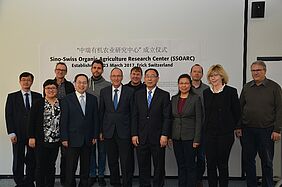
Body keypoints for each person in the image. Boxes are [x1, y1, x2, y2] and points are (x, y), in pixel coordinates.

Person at [239, 60, 282, 187]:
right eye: (253, 70)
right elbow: (240, 108)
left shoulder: (274, 87)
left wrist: (277, 130)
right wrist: (238, 126)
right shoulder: (247, 87)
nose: (255, 73)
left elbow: (280, 109)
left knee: (267, 162)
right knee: (248, 161)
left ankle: (267, 185)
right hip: (247, 130)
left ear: (265, 71)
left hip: (267, 130)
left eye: (258, 70)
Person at [132, 68, 171, 187]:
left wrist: (165, 134)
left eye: (153, 76)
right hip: (141, 136)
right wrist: (134, 134)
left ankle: (158, 185)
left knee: (159, 165)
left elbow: (167, 117)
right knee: (143, 165)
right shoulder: (138, 95)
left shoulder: (164, 95)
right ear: (144, 78)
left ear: (157, 79)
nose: (149, 78)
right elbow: (134, 116)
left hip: (158, 137)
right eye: (147, 76)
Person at [203, 64, 241, 187]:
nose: (213, 78)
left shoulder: (231, 91)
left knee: (222, 163)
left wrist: (237, 128)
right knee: (210, 164)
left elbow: (237, 112)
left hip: (225, 134)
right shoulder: (206, 93)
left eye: (216, 75)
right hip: (209, 134)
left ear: (222, 76)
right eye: (211, 76)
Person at [60, 74, 99, 187]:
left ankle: (83, 184)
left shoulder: (93, 99)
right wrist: (64, 138)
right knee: (70, 167)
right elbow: (63, 120)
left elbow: (95, 119)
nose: (82, 85)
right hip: (72, 139)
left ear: (87, 84)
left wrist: (95, 136)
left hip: (88, 139)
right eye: (79, 82)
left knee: (85, 167)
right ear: (74, 84)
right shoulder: (67, 99)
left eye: (84, 83)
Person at [5, 72, 42, 187]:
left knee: (32, 158)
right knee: (18, 158)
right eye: (24, 80)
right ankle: (19, 181)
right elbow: (9, 115)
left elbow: (40, 116)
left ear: (32, 81)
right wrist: (11, 133)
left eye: (29, 80)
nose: (26, 82)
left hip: (33, 134)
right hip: (18, 133)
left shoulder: (38, 96)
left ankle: (30, 180)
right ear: (20, 81)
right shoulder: (12, 96)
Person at [100, 68, 134, 187]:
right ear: (110, 77)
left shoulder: (129, 91)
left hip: (124, 132)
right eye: (114, 76)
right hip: (108, 132)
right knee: (112, 160)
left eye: (118, 76)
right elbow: (101, 112)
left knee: (126, 161)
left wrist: (133, 132)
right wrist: (100, 131)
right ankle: (115, 182)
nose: (116, 78)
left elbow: (133, 114)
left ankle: (126, 183)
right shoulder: (104, 91)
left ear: (122, 77)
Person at [170, 74, 202, 187]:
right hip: (176, 137)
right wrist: (169, 136)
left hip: (190, 138)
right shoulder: (174, 99)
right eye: (181, 83)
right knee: (181, 165)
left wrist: (197, 139)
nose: (184, 85)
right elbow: (171, 118)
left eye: (186, 83)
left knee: (190, 165)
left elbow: (199, 120)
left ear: (190, 85)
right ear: (178, 85)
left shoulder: (195, 98)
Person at [28, 79, 61, 187]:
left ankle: (50, 185)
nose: (51, 90)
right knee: (40, 165)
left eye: (53, 88)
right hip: (41, 140)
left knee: (51, 165)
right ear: (44, 89)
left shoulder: (61, 103)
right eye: (48, 88)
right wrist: (31, 137)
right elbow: (31, 121)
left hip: (56, 141)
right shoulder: (38, 103)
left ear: (57, 89)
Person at [87, 59, 111, 187]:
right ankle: (92, 174)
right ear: (91, 69)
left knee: (102, 151)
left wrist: (102, 128)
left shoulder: (108, 85)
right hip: (89, 124)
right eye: (94, 67)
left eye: (99, 68)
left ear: (102, 70)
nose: (96, 70)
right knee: (91, 151)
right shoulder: (86, 83)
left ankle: (101, 175)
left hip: (103, 123)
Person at [53, 62, 75, 185]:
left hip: (66, 123)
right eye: (58, 69)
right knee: (51, 155)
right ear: (55, 71)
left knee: (65, 156)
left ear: (66, 72)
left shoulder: (70, 86)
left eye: (63, 70)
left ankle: (64, 180)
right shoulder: (49, 84)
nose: (60, 71)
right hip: (52, 124)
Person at [190, 64, 209, 187]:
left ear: (202, 74)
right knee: (189, 157)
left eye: (199, 72)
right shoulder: (185, 87)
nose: (196, 74)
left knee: (201, 157)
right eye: (194, 71)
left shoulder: (207, 89)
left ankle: (198, 179)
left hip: (203, 129)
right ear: (191, 73)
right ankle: (190, 179)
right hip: (188, 130)